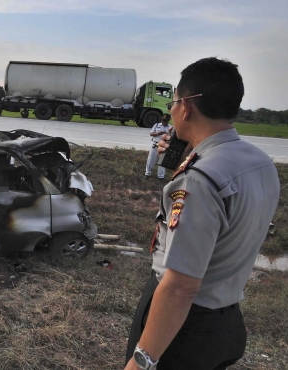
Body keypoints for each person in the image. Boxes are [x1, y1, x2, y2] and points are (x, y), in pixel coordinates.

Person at [125, 57, 280, 370]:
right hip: (226, 318)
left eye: (174, 102)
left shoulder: (199, 179)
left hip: (183, 329)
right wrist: (183, 158)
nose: (171, 110)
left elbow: (181, 286)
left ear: (187, 107)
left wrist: (142, 361)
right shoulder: (260, 162)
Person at [144, 113, 172, 180]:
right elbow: (151, 133)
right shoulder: (156, 125)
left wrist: (166, 134)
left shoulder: (170, 127)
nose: (164, 122)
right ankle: (147, 173)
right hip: (155, 144)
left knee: (162, 162)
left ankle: (161, 176)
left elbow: (172, 137)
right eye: (163, 120)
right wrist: (158, 133)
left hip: (164, 146)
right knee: (150, 160)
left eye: (165, 121)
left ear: (168, 120)